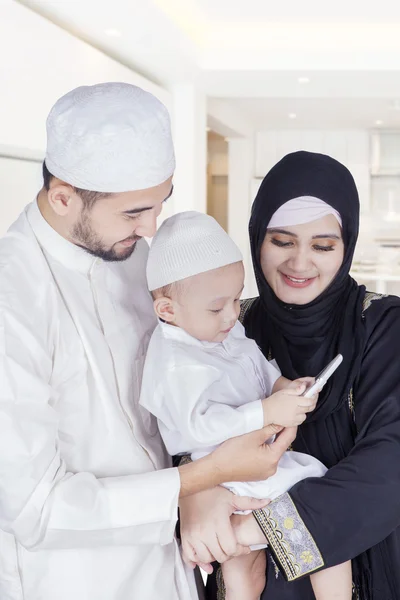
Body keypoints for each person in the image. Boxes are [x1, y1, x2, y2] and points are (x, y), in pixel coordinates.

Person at [0, 82, 296, 600]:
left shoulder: (138, 259)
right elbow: (35, 508)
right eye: (135, 212)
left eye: (160, 205)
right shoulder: (13, 293)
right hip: (72, 582)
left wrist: (201, 481)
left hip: (173, 569)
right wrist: (199, 480)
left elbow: (178, 400)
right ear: (64, 195)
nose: (153, 227)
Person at [204, 150, 400, 600]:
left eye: (323, 246)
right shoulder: (233, 329)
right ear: (256, 239)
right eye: (282, 241)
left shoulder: (384, 327)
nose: (300, 263)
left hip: (367, 574)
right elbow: (185, 426)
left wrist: (260, 528)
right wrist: (197, 495)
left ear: (346, 245)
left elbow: (388, 467)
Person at [140, 210, 352, 600]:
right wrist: (267, 412)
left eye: (238, 299)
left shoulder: (221, 326)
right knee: (325, 525)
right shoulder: (175, 362)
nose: (233, 315)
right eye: (217, 307)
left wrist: (285, 386)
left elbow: (255, 363)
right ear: (167, 311)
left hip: (247, 459)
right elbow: (198, 427)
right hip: (224, 465)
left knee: (245, 569)